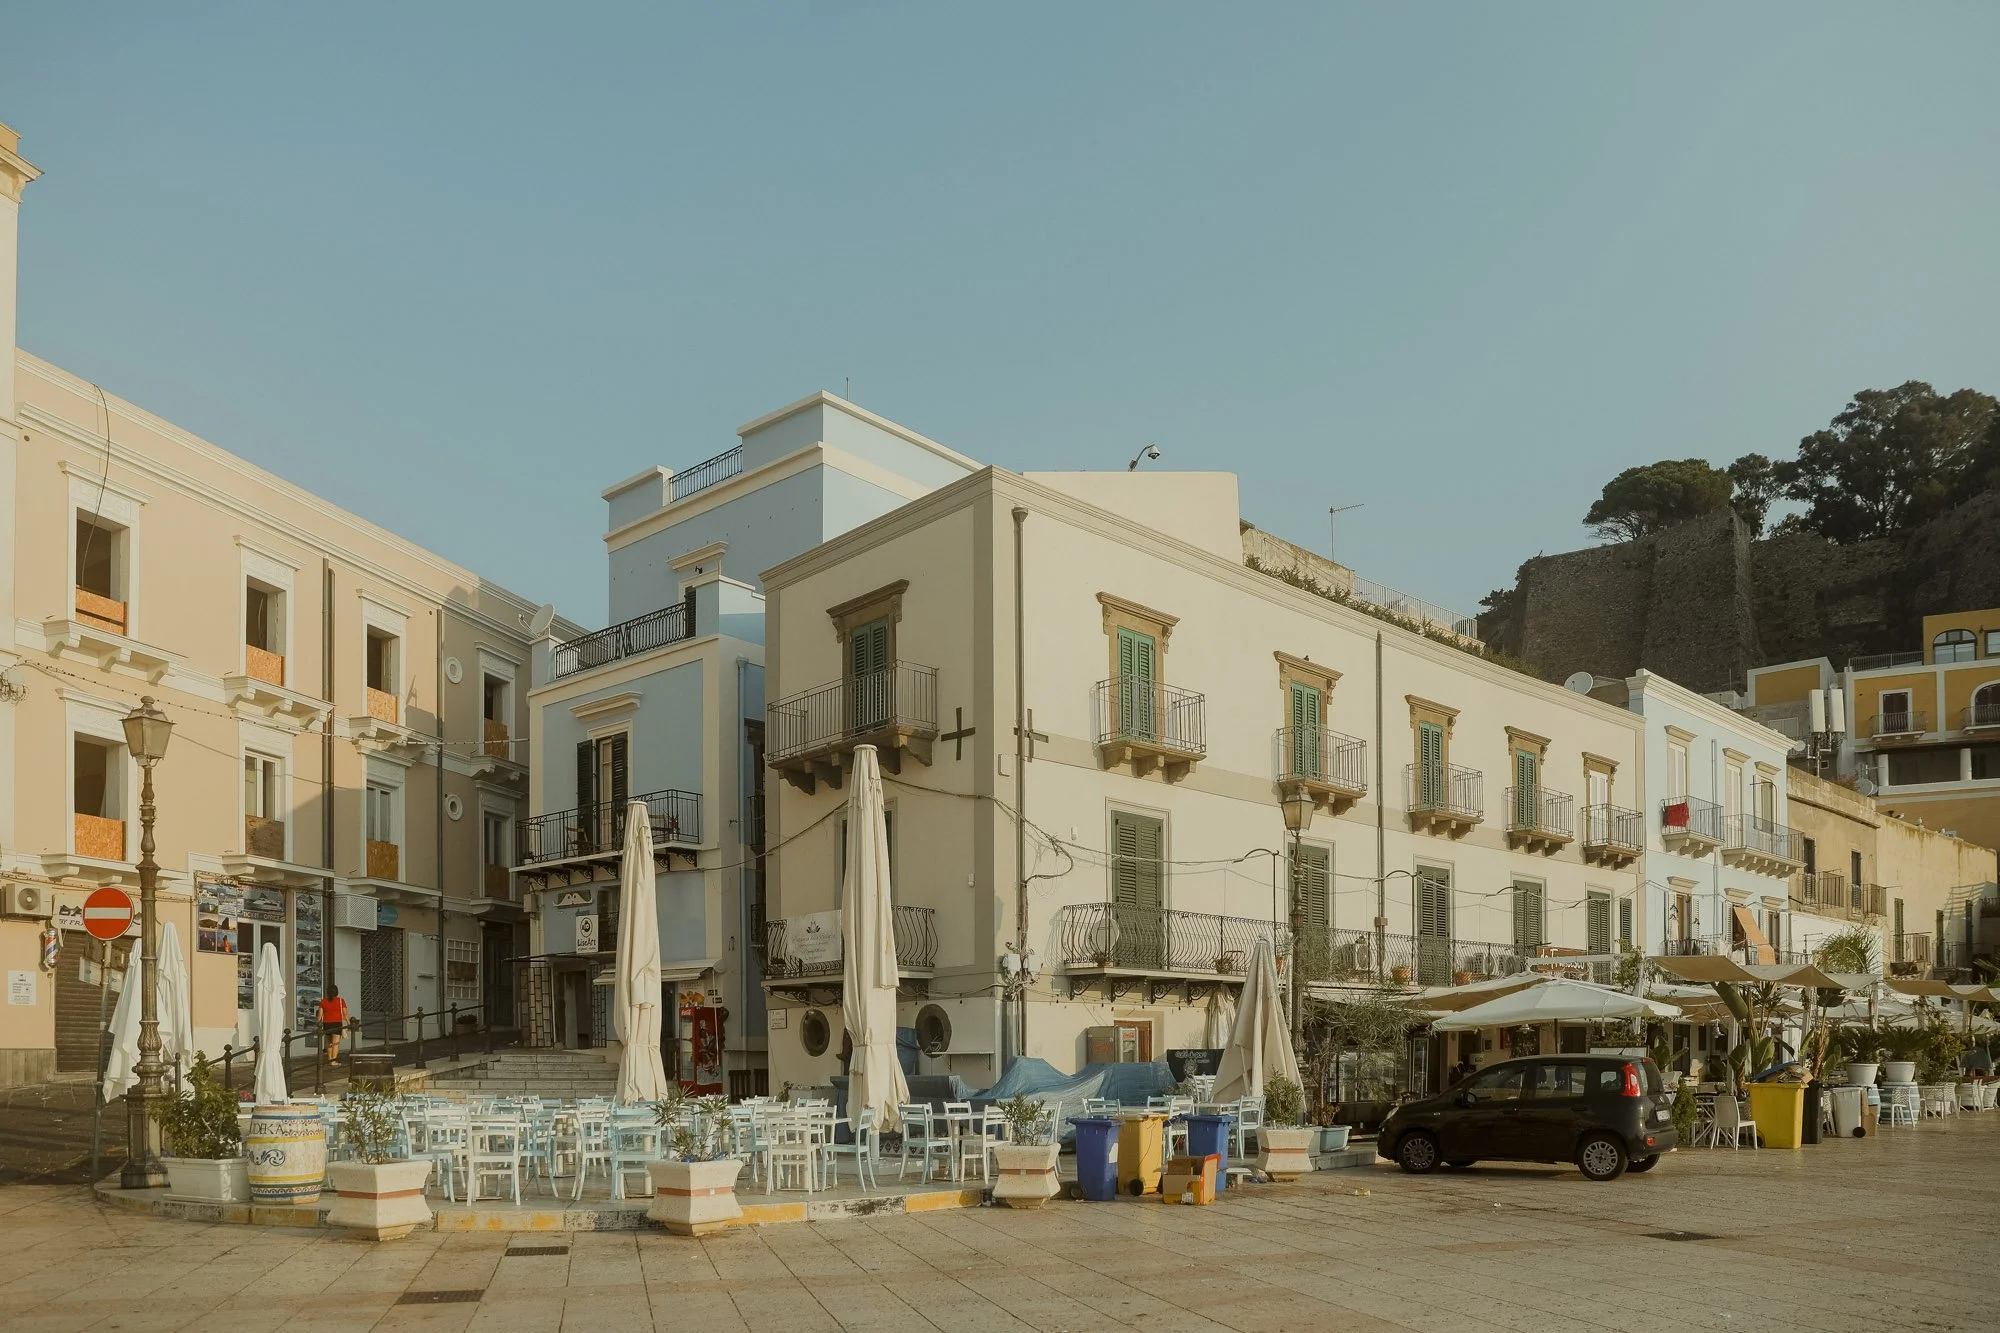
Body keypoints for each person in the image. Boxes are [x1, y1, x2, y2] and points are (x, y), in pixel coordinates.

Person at [319, 986, 349, 1062]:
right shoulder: (340, 1001)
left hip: (327, 1024)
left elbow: (320, 1014)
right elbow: (345, 1014)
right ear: (336, 992)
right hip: (337, 1023)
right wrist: (349, 1023)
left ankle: (329, 1059)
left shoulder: (323, 1001)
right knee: (335, 1043)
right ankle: (333, 1061)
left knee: (328, 1042)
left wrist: (318, 1024)